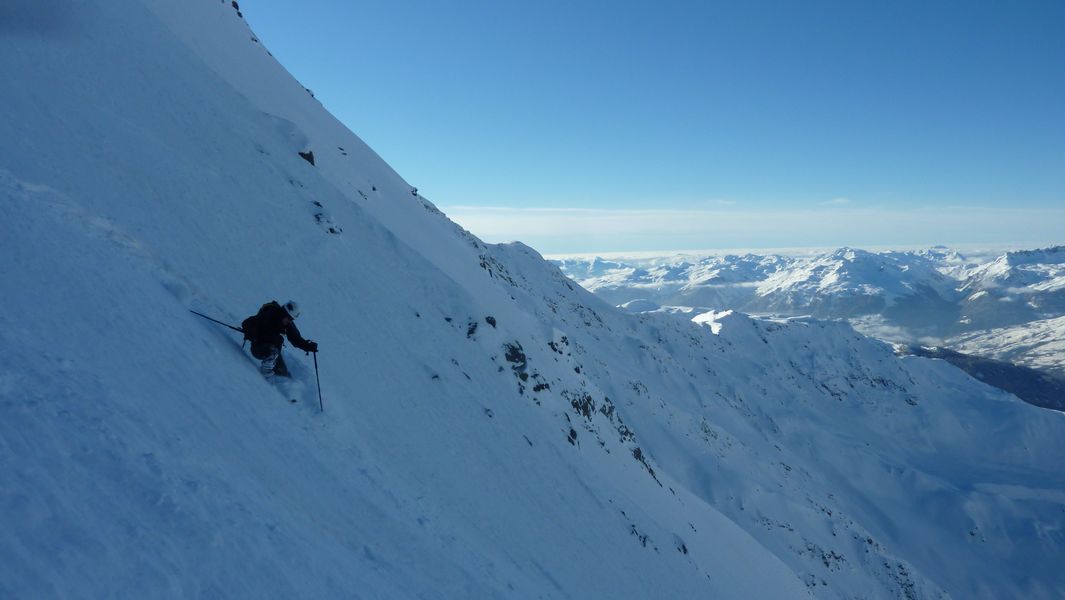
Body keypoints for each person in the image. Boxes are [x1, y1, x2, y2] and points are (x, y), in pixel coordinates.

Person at [241, 300, 318, 377]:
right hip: (258, 347)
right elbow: (247, 323)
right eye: (288, 318)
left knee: (283, 373)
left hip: (274, 353)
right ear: (283, 312)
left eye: (291, 319)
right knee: (273, 351)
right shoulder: (268, 314)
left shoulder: (287, 324)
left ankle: (280, 382)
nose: (289, 321)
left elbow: (295, 338)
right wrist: (251, 334)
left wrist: (308, 346)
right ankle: (265, 374)